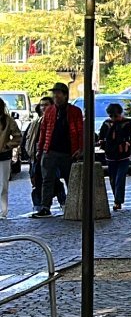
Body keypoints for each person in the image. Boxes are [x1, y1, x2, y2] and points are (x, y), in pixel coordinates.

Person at [30, 83, 82, 218]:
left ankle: (73, 206)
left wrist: (80, 149)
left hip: (68, 152)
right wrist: (40, 150)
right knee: (47, 179)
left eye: (58, 93)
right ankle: (45, 207)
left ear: (65, 95)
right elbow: (43, 131)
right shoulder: (50, 111)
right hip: (50, 150)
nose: (56, 96)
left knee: (70, 179)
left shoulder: (75, 111)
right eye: (54, 93)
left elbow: (80, 131)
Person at [98, 101, 131, 211]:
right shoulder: (106, 124)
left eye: (115, 115)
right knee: (112, 179)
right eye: (111, 116)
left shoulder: (127, 123)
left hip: (123, 155)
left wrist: (128, 145)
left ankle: (118, 200)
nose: (113, 118)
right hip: (110, 155)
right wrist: (102, 143)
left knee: (120, 178)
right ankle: (117, 198)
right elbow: (101, 136)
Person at [0, 96, 21, 218]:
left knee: (3, 184)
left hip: (3, 155)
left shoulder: (8, 121)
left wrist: (7, 146)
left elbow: (17, 136)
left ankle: (3, 211)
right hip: (4, 153)